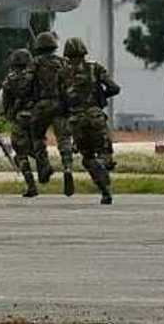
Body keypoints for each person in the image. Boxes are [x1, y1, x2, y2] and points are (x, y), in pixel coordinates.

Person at [61, 38, 121, 205]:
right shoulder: (95, 68)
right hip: (95, 117)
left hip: (75, 121)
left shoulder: (62, 73)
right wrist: (100, 97)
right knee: (105, 154)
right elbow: (114, 88)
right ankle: (102, 167)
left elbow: (60, 99)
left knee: (87, 158)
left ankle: (105, 192)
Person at [30, 31, 74, 196]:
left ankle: (44, 165)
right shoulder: (63, 63)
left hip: (41, 105)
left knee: (37, 137)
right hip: (60, 105)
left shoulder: (34, 64)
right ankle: (68, 167)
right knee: (64, 139)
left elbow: (26, 84)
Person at [1, 48, 42, 197]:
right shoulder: (36, 77)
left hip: (20, 118)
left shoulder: (10, 80)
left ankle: (31, 185)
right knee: (37, 147)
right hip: (38, 117)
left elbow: (6, 104)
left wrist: (9, 115)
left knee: (20, 153)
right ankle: (44, 164)